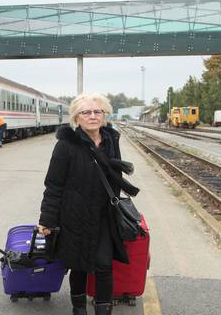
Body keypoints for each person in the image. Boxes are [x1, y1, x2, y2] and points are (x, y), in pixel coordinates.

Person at [37, 93, 139, 315]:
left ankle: (104, 310)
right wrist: (47, 219)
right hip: (74, 216)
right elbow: (54, 185)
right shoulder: (66, 145)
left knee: (104, 265)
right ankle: (79, 309)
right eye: (86, 112)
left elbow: (116, 175)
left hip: (104, 214)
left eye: (97, 111)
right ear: (76, 118)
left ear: (104, 115)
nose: (92, 116)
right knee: (79, 265)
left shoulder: (111, 140)